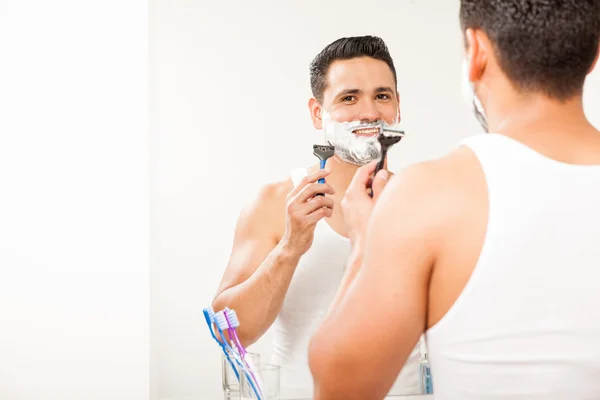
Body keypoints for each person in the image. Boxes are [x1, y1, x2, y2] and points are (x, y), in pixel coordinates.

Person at [308, 1, 600, 399]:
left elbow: (340, 386)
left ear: (476, 52)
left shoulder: (426, 195)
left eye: (381, 95)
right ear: (593, 53)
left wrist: (364, 246)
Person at [212, 35, 421, 397]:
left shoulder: (425, 202)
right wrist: (290, 248)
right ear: (316, 113)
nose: (369, 112)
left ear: (397, 107)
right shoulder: (275, 201)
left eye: (382, 96)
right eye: (349, 97)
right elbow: (229, 331)